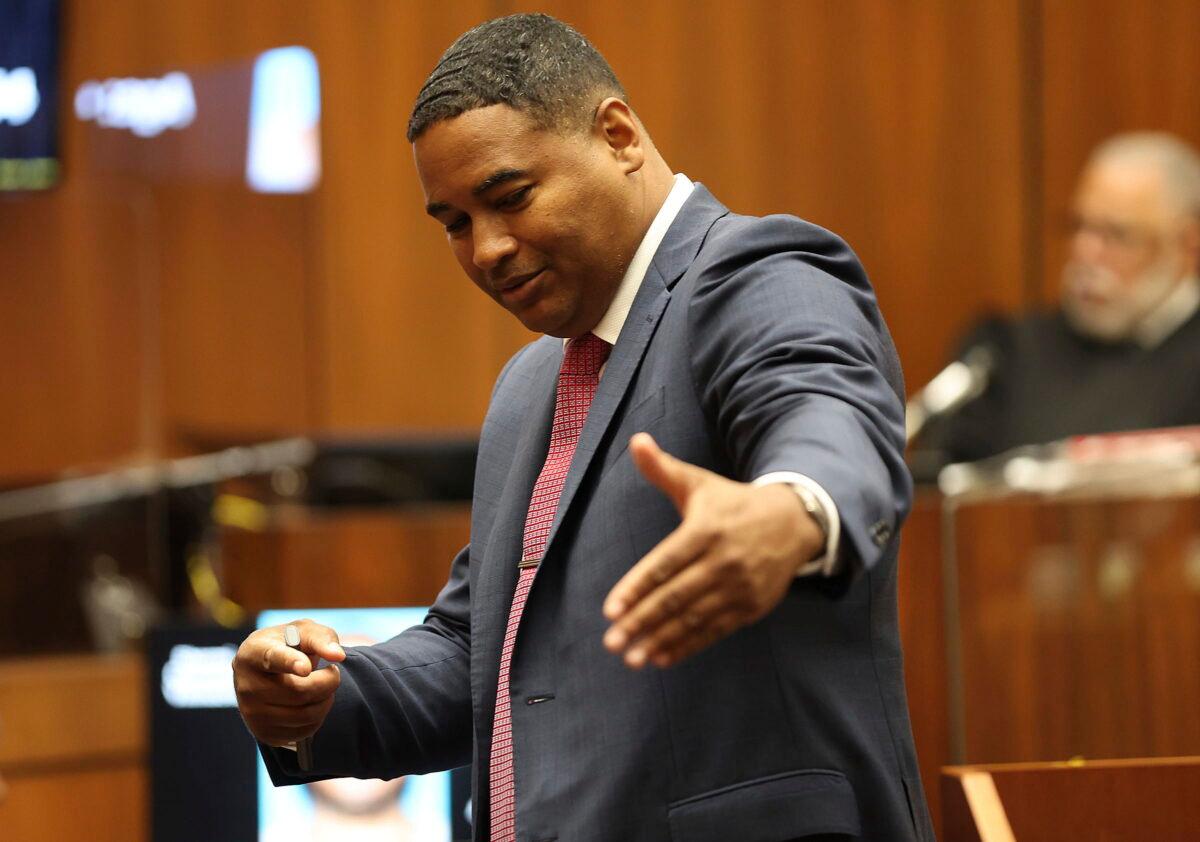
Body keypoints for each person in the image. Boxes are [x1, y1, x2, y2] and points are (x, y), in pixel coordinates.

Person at [233, 14, 931, 841]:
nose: (486, 249)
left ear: (618, 134)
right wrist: (314, 697)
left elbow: (828, 414)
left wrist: (790, 511)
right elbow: (480, 653)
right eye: (455, 223)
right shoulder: (532, 386)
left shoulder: (753, 272)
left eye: (509, 197)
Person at [924, 132, 1200, 465]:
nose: (1086, 252)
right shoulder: (1004, 354)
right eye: (1079, 226)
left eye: (1117, 235)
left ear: (1187, 244)